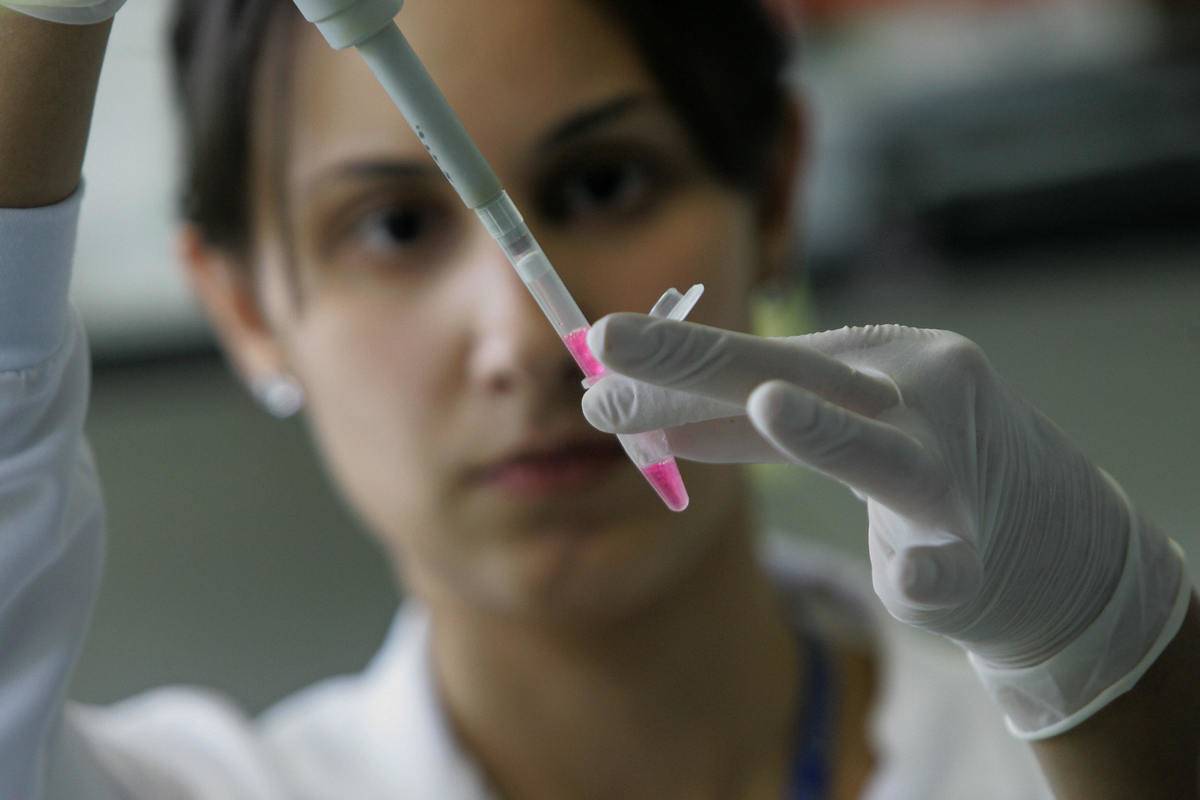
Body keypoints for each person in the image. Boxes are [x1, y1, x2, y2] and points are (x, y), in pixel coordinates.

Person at [0, 1, 1197, 798]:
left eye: (607, 180)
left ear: (774, 193)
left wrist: (1117, 665)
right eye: (394, 225)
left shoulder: (1063, 750)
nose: (525, 339)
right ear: (243, 308)